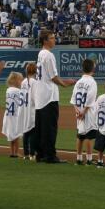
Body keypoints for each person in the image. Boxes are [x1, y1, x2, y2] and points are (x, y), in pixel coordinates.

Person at [35, 30, 74, 163]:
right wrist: (65, 84)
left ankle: (40, 154)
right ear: (45, 41)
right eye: (52, 38)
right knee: (50, 128)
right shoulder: (49, 55)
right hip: (49, 95)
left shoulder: (41, 53)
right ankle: (50, 156)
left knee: (40, 128)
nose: (54, 40)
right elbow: (53, 77)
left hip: (40, 95)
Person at [71, 59, 98, 166]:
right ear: (92, 68)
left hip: (79, 112)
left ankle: (78, 158)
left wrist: (78, 111)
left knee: (80, 135)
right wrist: (84, 112)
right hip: (88, 112)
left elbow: (73, 99)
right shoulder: (92, 82)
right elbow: (90, 99)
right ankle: (89, 159)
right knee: (90, 136)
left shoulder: (78, 82)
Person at [1, 72, 26, 158]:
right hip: (15, 115)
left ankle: (12, 152)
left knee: (11, 135)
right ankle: (16, 152)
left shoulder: (8, 90)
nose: (22, 81)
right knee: (17, 135)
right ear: (16, 81)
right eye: (20, 79)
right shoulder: (18, 91)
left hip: (8, 115)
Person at [20, 62, 38, 160]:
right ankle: (32, 153)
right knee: (32, 131)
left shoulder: (23, 82)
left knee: (25, 132)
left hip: (24, 108)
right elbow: (35, 97)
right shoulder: (34, 82)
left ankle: (26, 154)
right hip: (31, 109)